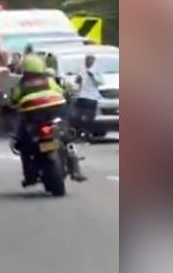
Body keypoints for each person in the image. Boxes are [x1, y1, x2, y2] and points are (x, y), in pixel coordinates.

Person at [8, 55, 87, 185]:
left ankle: (29, 175)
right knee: (67, 137)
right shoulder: (49, 80)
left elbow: (13, 101)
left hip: (33, 114)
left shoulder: (21, 84)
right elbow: (62, 92)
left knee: (24, 143)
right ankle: (76, 169)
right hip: (55, 108)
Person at [73, 53, 104, 140]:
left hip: (92, 96)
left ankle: (88, 133)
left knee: (90, 116)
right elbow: (77, 81)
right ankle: (78, 133)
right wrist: (77, 80)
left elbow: (101, 82)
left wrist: (93, 76)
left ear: (93, 61)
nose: (88, 62)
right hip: (82, 95)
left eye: (90, 60)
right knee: (78, 116)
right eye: (87, 60)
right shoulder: (81, 68)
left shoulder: (96, 70)